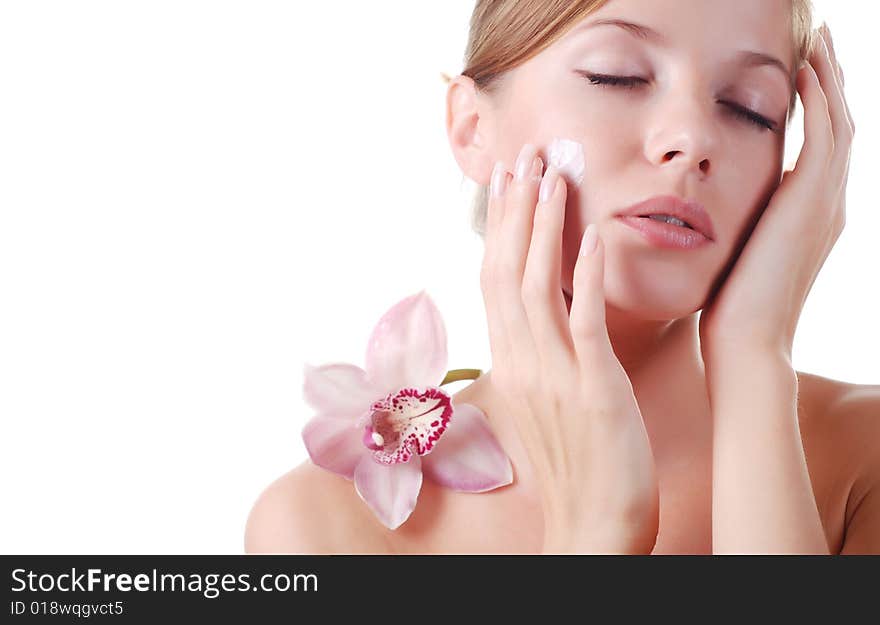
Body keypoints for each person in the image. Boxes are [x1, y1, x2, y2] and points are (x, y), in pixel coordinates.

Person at [244, 0, 877, 554]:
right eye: (617, 75)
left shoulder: (864, 457)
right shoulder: (322, 525)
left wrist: (754, 354)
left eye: (751, 109)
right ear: (473, 129)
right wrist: (596, 535)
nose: (691, 138)